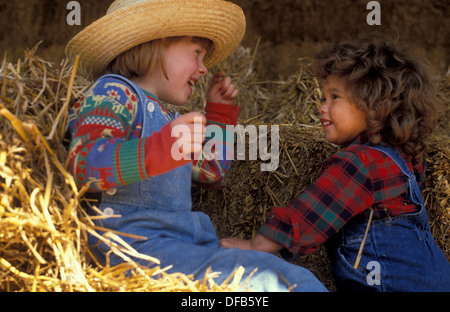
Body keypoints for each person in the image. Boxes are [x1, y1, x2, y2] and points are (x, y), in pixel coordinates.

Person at [66, 0, 327, 292]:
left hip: (183, 248)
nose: (204, 69)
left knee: (292, 276)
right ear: (156, 45)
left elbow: (211, 171)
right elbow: (83, 164)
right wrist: (160, 148)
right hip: (136, 251)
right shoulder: (113, 92)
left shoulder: (168, 118)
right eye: (197, 54)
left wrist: (219, 116)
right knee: (268, 281)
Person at [220, 35, 450, 291]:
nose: (321, 107)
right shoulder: (400, 158)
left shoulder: (362, 162)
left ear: (374, 107)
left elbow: (307, 217)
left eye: (334, 97)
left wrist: (254, 247)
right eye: (323, 97)